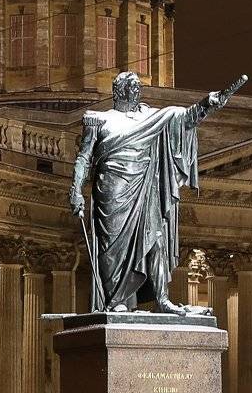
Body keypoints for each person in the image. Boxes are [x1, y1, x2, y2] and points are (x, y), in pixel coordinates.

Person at [69, 71, 239, 314]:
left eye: (138, 87)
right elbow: (84, 158)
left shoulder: (151, 117)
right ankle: (115, 300)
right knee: (113, 247)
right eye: (131, 87)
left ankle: (162, 298)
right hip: (112, 189)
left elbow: (185, 118)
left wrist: (206, 104)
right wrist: (76, 190)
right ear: (118, 91)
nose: (137, 91)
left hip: (146, 186)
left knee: (156, 239)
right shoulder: (98, 119)